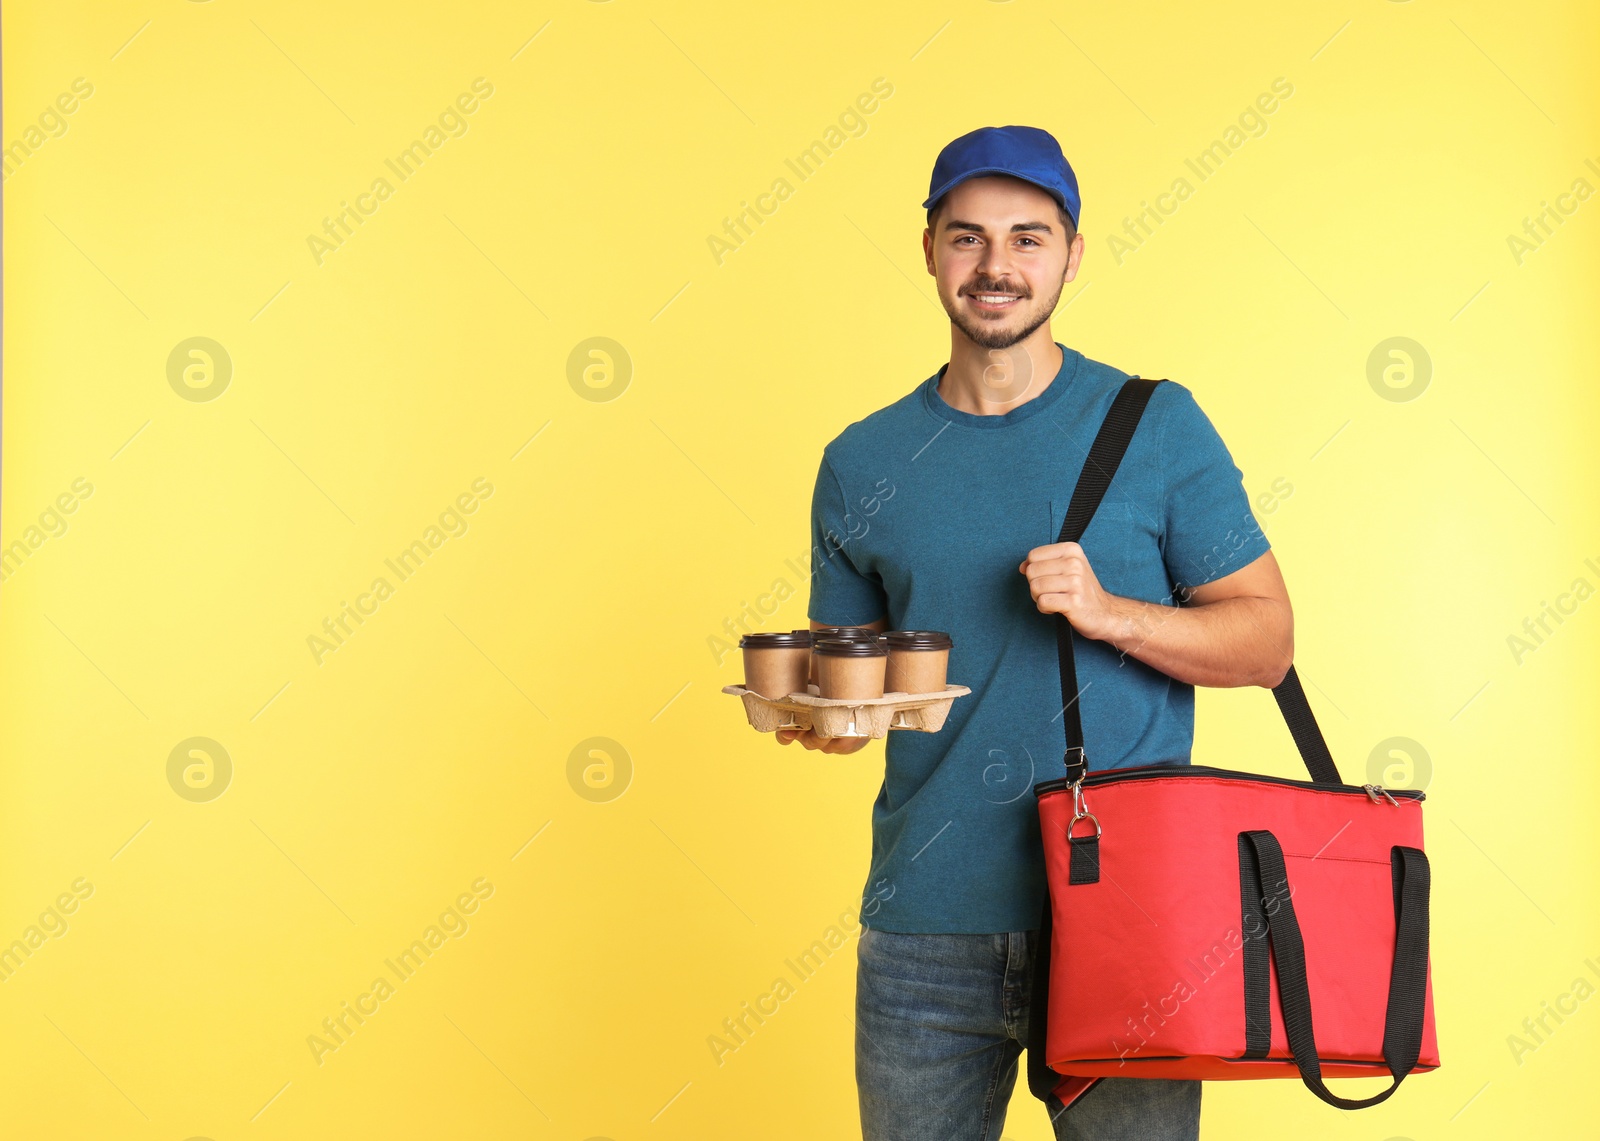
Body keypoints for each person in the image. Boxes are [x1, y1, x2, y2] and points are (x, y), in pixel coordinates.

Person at [778, 125, 1295, 1140]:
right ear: (928, 248)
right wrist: (829, 726)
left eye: (1027, 237)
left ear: (1071, 252)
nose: (996, 267)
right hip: (926, 924)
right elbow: (854, 684)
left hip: (1128, 917)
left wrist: (1110, 613)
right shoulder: (860, 461)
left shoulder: (1155, 423)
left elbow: (1265, 641)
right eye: (967, 238)